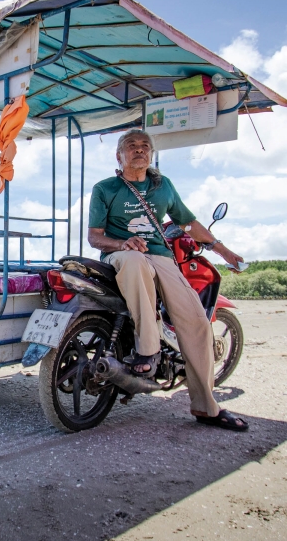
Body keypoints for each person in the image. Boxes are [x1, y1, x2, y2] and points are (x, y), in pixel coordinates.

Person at [87, 129, 249, 431]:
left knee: (198, 322)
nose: (139, 150)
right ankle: (148, 350)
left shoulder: (164, 188)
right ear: (119, 155)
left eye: (145, 147)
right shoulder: (105, 188)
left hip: (161, 256)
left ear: (151, 155)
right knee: (134, 261)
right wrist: (122, 244)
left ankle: (206, 407)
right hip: (120, 256)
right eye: (131, 146)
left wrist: (225, 252)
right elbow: (94, 237)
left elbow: (188, 223)